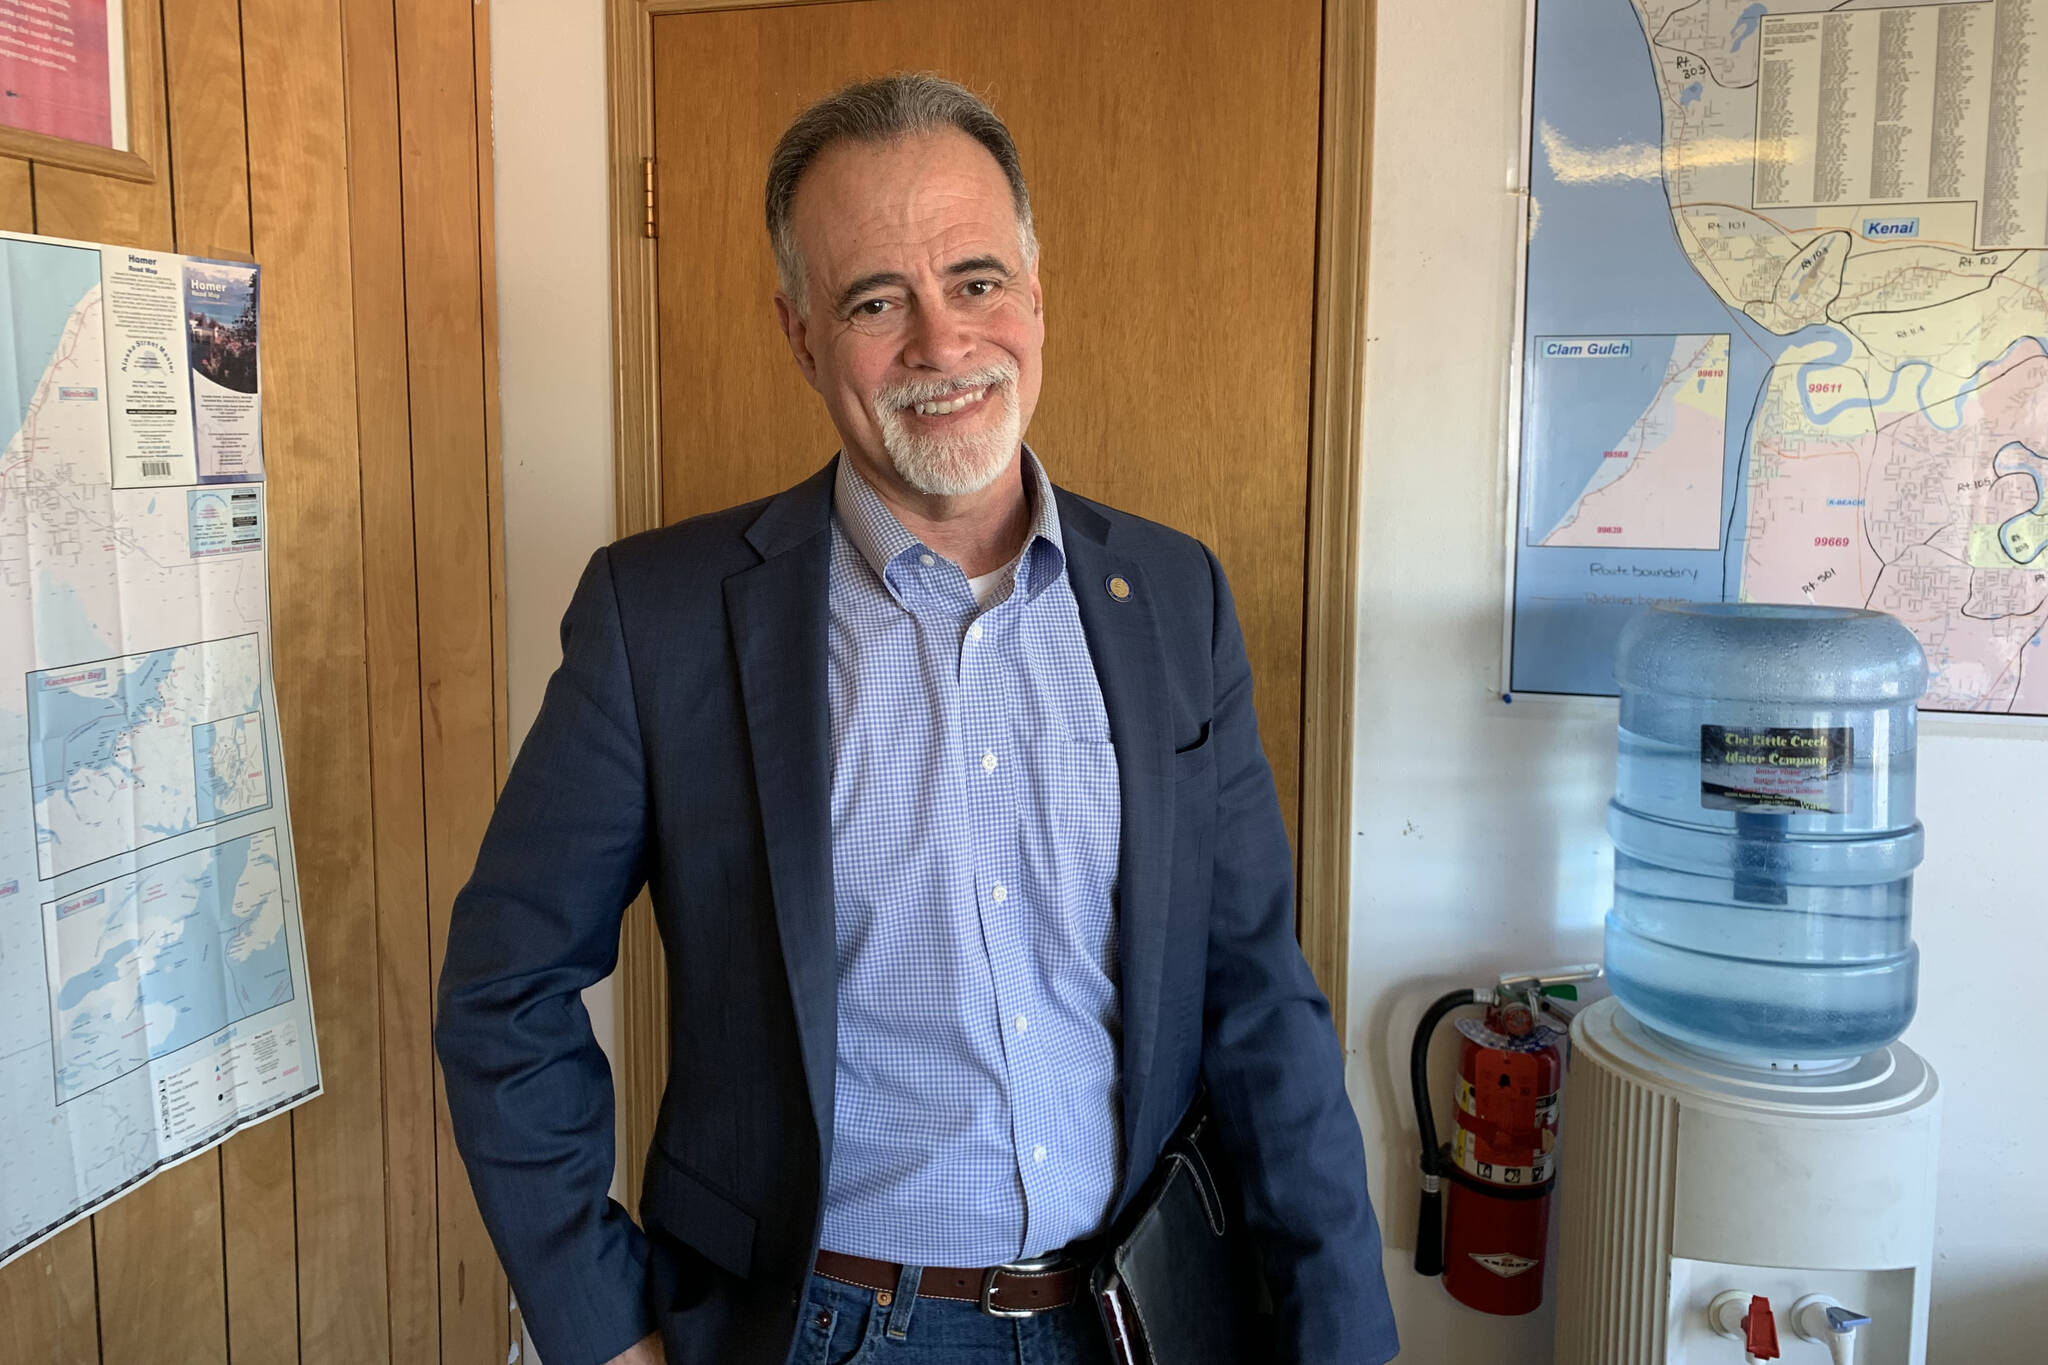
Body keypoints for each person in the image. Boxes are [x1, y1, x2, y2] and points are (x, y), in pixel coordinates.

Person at [435, 73, 1398, 1365]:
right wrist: (603, 1330)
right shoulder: (657, 619)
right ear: (800, 335)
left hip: (1143, 1318)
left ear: (1037, 294)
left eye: (977, 280)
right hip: (824, 1329)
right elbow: (506, 989)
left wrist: (1347, 1336)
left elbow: (1260, 1000)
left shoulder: (1173, 597)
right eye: (875, 300)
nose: (942, 345)